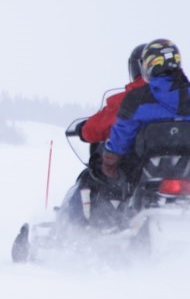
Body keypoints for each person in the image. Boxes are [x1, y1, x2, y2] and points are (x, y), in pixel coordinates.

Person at [101, 39, 190, 185]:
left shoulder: (136, 100)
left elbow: (122, 135)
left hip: (144, 174)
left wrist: (110, 162)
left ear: (149, 65)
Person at [61, 44, 149, 225]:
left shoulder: (127, 100)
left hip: (132, 172)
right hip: (178, 170)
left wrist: (82, 130)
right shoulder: (183, 100)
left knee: (88, 179)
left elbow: (94, 129)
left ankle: (72, 233)